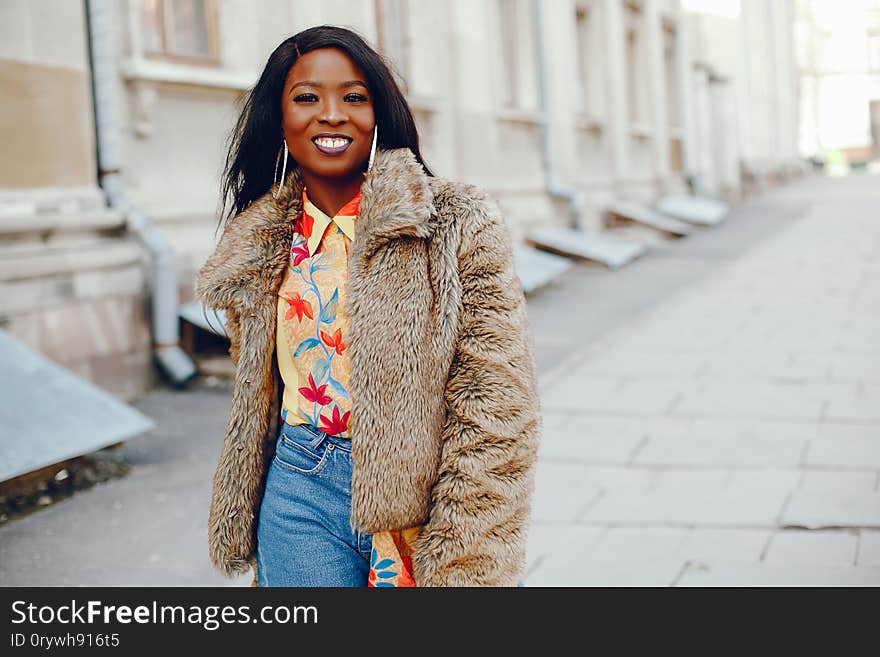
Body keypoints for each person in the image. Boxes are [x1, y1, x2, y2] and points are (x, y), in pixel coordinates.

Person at [195, 25, 541, 587]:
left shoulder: (454, 225)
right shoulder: (256, 245)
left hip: (423, 494)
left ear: (378, 113)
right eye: (307, 97)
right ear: (279, 120)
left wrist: (468, 545)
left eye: (353, 97)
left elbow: (499, 404)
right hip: (299, 488)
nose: (331, 114)